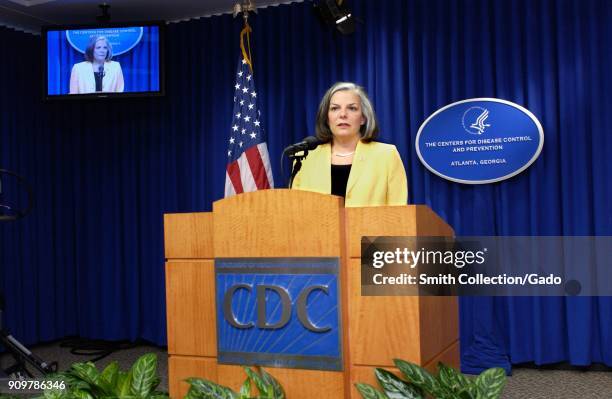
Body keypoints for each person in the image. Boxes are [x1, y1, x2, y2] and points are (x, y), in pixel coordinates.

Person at [292, 82, 408, 207]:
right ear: (327, 118)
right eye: (335, 108)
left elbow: (398, 215)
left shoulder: (386, 155)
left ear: (363, 117)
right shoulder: (305, 157)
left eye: (352, 108)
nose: (343, 115)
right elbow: (297, 213)